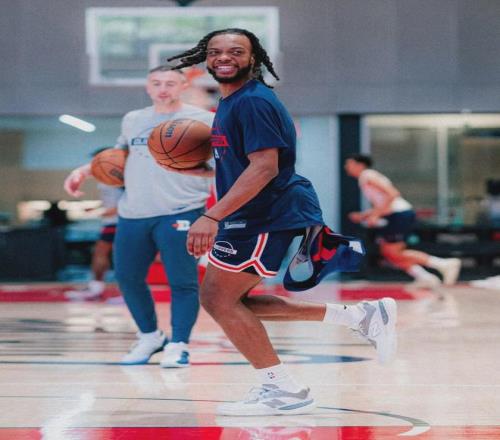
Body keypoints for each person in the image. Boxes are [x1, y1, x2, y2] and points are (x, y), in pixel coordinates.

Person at [166, 28, 397, 416]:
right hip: (255, 213)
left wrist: (211, 215)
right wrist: (203, 172)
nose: (224, 57)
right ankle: (359, 317)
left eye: (236, 51)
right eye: (216, 51)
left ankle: (284, 390)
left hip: (264, 213)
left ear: (253, 58)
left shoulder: (253, 102)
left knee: (218, 299)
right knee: (229, 301)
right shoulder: (231, 101)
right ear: (206, 58)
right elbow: (245, 163)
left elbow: (265, 167)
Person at [64, 65, 215, 367]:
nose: (163, 89)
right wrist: (84, 171)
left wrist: (207, 176)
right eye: (156, 83)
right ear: (148, 87)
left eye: (170, 83)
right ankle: (150, 336)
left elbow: (227, 163)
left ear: (183, 86)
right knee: (127, 278)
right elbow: (118, 155)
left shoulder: (205, 120)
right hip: (133, 213)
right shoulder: (133, 119)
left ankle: (179, 344)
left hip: (181, 209)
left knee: (182, 281)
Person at [344, 154, 461, 288]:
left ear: (360, 165)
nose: (346, 167)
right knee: (389, 253)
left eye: (349, 163)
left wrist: (375, 215)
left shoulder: (368, 175)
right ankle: (426, 277)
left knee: (393, 252)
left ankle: (444, 264)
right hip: (395, 215)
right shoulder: (365, 178)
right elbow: (383, 203)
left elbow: (393, 194)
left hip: (399, 214)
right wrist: (365, 215)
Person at [66, 149, 124, 301]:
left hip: (119, 221)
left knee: (118, 256)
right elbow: (111, 200)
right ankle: (96, 288)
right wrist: (96, 208)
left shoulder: (120, 178)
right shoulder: (104, 177)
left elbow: (126, 202)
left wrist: (101, 212)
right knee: (101, 254)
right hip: (111, 222)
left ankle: (125, 293)